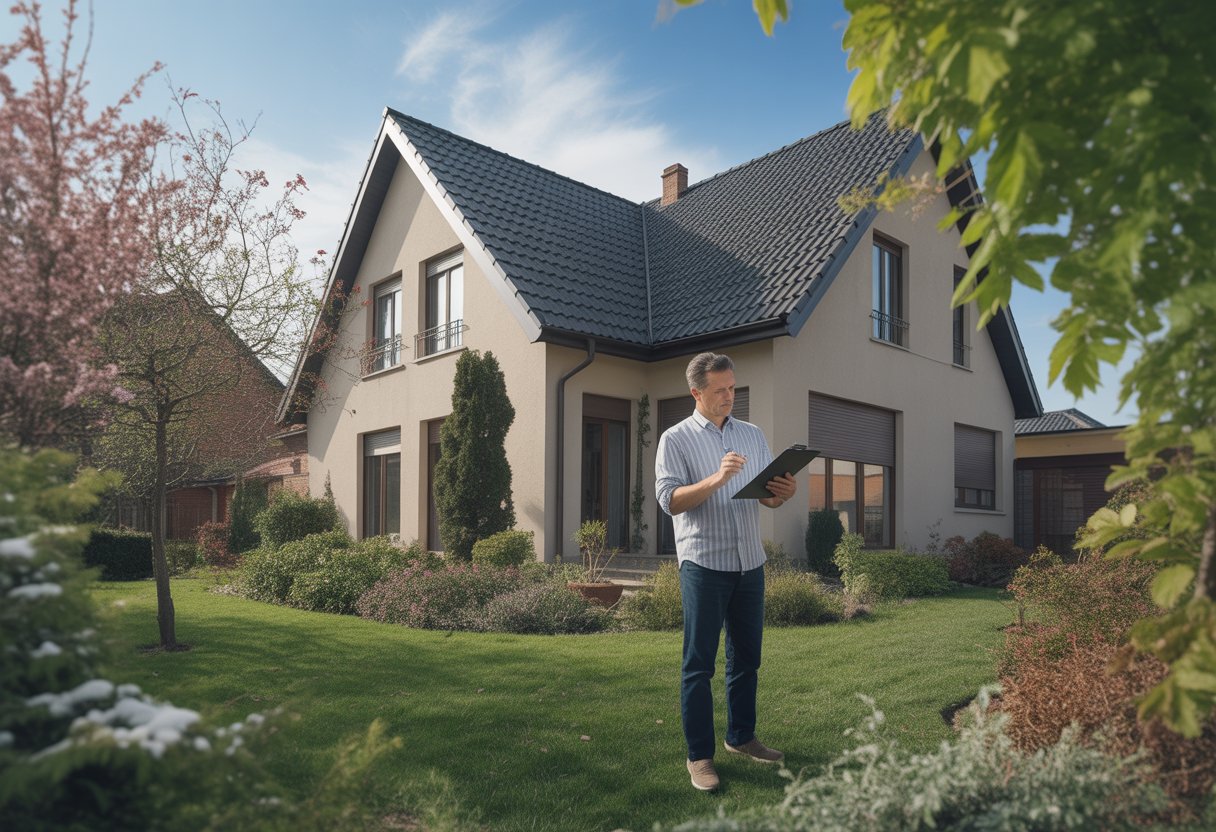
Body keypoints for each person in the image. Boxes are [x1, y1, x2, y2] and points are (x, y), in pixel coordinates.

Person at [655, 352, 798, 792]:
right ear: (696, 392)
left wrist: (783, 493)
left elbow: (768, 498)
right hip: (703, 562)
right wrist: (716, 480)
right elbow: (670, 501)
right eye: (720, 390)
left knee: (747, 657)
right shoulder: (674, 439)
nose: (729, 396)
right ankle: (699, 757)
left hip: (749, 562)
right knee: (699, 665)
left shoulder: (752, 435)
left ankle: (742, 737)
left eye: (733, 387)